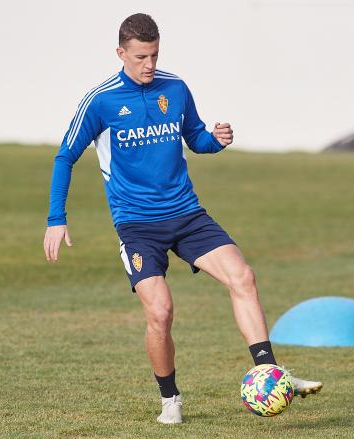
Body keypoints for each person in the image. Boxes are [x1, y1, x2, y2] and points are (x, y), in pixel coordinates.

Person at [43, 13, 322, 425]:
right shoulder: (100, 100)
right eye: (140, 56)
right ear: (121, 53)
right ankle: (170, 398)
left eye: (154, 54)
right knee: (160, 313)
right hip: (137, 224)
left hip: (186, 213)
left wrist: (217, 140)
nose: (149, 64)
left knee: (242, 277)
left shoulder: (175, 88)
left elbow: (196, 139)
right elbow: (65, 155)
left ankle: (270, 372)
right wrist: (56, 217)